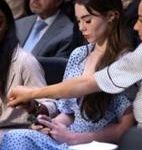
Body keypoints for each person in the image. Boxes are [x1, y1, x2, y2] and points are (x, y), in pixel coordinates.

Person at [7, 0, 142, 130]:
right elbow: (87, 84)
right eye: (79, 21)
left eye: (141, 20)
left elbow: (123, 122)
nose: (135, 27)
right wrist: (34, 98)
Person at [1, 0, 134, 149]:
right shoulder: (79, 55)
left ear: (111, 16)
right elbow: (68, 113)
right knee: (16, 137)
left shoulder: (125, 62)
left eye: (88, 20)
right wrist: (52, 126)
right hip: (68, 140)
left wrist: (76, 138)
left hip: (96, 145)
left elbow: (125, 127)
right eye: (78, 21)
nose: (81, 27)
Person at [0, 0, 54, 142]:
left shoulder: (24, 61)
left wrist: (33, 107)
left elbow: (50, 105)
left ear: (6, 26)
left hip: (15, 134)